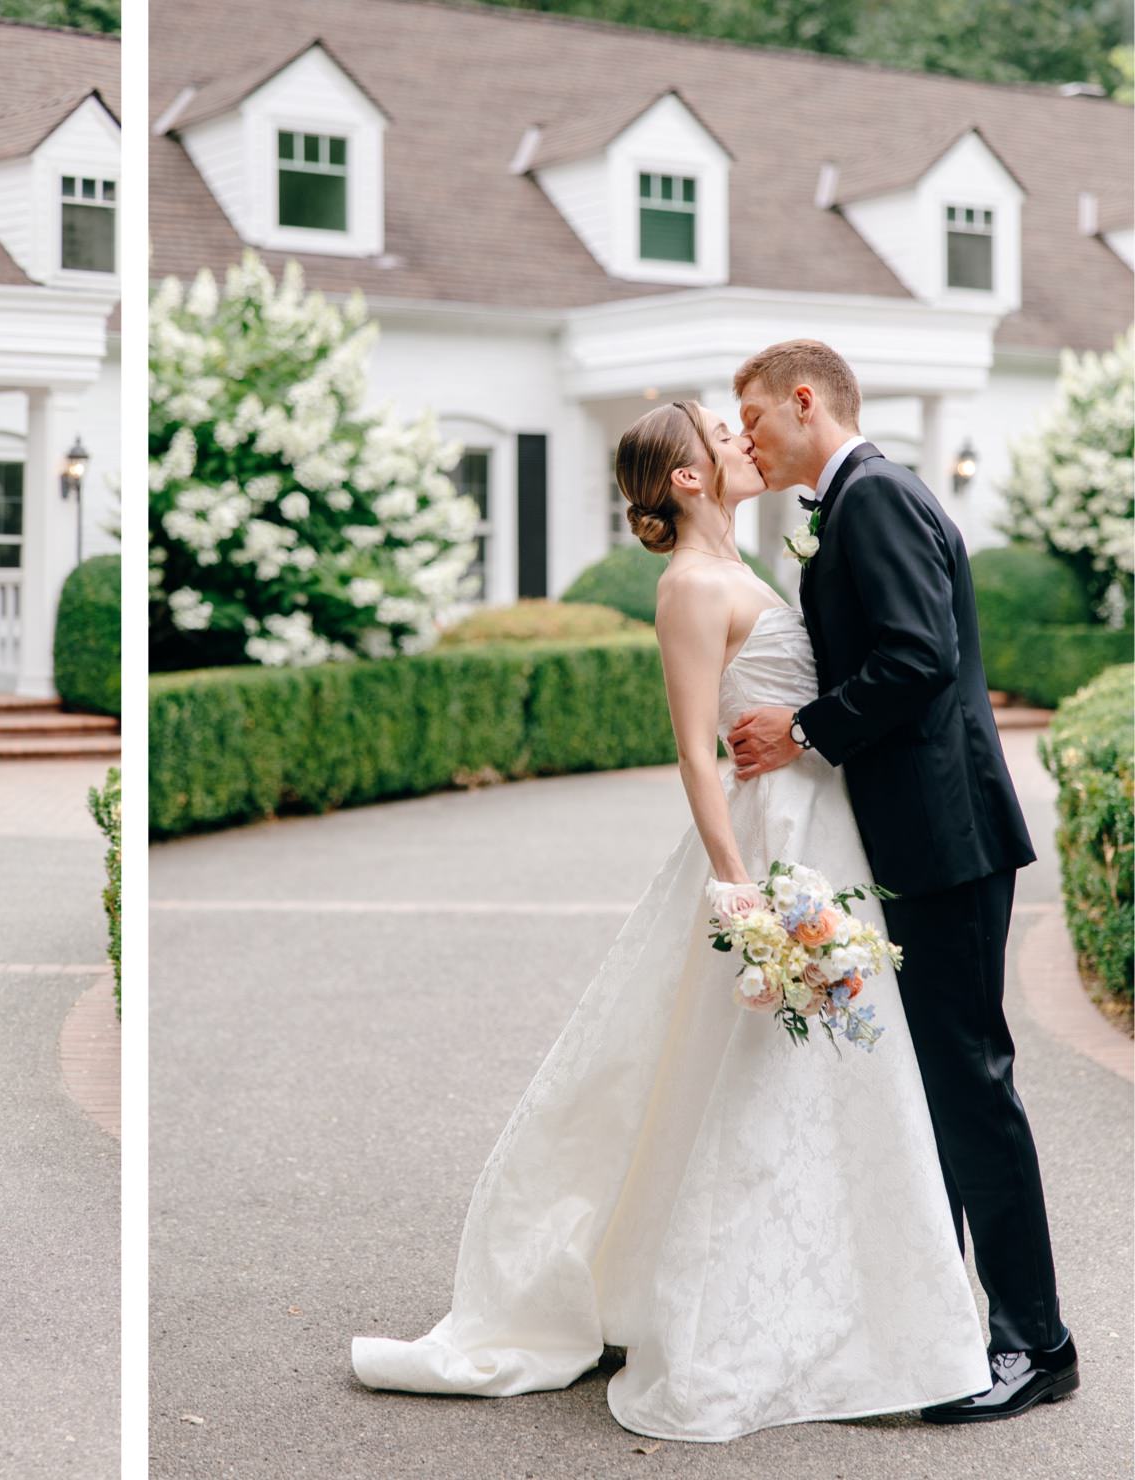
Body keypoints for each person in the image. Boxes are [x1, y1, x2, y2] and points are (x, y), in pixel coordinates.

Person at [351, 397, 992, 1442]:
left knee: (827, 1072)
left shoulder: (747, 568)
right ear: (688, 477)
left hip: (824, 832)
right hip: (768, 846)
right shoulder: (689, 586)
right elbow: (694, 748)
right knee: (754, 1073)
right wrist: (736, 883)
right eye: (719, 434)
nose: (742, 441)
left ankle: (853, 1307)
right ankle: (746, 1310)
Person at [726, 339, 1072, 1422]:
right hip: (916, 835)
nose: (745, 439)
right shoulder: (859, 498)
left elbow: (916, 655)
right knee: (931, 1092)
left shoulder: (872, 497)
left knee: (968, 1085)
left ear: (803, 401)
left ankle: (1035, 1340)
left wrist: (802, 728)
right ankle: (940, 1331)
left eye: (753, 418)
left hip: (945, 834)